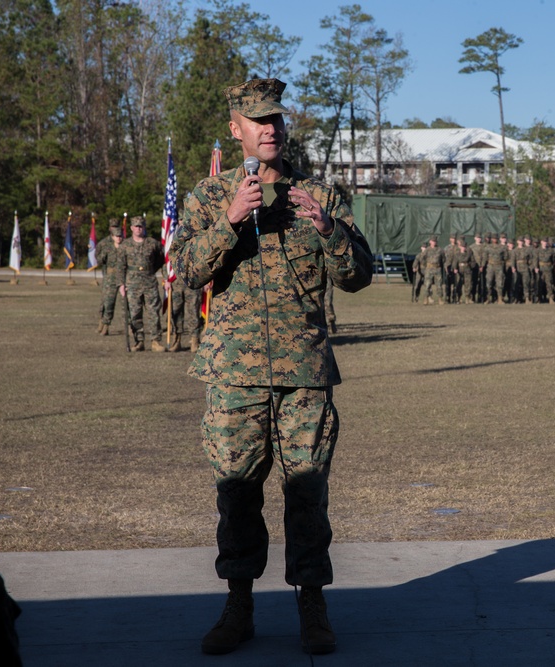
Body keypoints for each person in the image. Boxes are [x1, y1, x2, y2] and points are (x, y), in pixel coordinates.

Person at [170, 77, 373, 657]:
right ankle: (239, 604)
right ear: (236, 129)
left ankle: (312, 605)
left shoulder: (320, 195)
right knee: (237, 492)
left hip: (304, 373)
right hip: (234, 374)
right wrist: (230, 219)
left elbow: (356, 277)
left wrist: (328, 229)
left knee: (307, 493)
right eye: (258, 121)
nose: (270, 129)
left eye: (277, 120)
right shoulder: (209, 198)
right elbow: (186, 271)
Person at [118, 215, 165, 351]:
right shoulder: (125, 245)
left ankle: (155, 341)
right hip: (132, 283)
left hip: (149, 282)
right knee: (135, 313)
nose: (139, 229)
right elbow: (121, 266)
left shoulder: (152, 243)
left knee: (153, 312)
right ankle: (139, 341)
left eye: (141, 226)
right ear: (131, 228)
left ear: (144, 227)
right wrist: (121, 284)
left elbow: (160, 261)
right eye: (136, 226)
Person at [95, 221, 124, 335]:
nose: (119, 238)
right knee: (108, 302)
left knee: (126, 304)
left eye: (120, 235)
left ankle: (130, 326)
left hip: (123, 278)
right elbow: (99, 260)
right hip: (110, 278)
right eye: (116, 235)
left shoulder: (126, 246)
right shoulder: (106, 246)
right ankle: (105, 324)